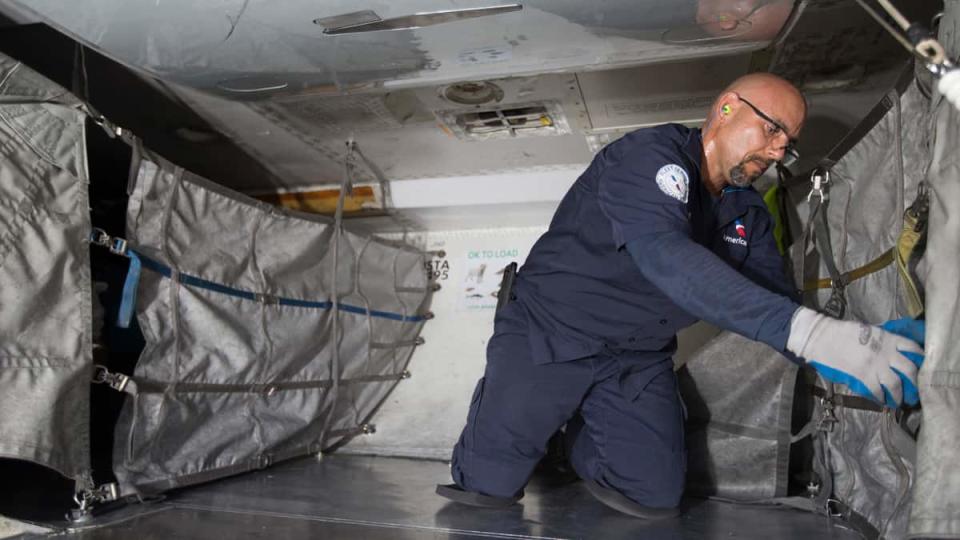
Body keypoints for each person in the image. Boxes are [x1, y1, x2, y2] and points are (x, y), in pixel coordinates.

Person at [436, 73, 925, 518]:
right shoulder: (649, 158)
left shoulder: (747, 214)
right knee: (487, 489)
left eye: (788, 145)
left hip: (635, 356)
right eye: (773, 130)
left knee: (652, 496)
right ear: (727, 108)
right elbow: (666, 257)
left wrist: (852, 349)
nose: (778, 152)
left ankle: (570, 436)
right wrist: (814, 334)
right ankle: (533, 418)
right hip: (551, 335)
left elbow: (771, 299)